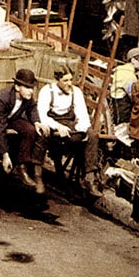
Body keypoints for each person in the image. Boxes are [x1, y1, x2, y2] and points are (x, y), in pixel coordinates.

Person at [0, 68, 50, 193]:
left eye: (32, 87)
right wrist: (5, 155)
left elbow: (32, 109)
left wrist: (37, 122)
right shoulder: (2, 98)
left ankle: (22, 167)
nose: (31, 91)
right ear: (17, 87)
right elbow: (0, 127)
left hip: (9, 117)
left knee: (30, 129)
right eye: (28, 87)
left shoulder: (28, 98)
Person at [36, 65, 104, 196]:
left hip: (70, 122)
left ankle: (89, 178)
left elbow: (82, 115)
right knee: (42, 134)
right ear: (57, 79)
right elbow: (42, 115)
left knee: (93, 136)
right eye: (65, 80)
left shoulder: (76, 92)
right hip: (52, 122)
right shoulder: (47, 91)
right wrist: (57, 127)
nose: (69, 83)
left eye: (71, 80)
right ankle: (37, 175)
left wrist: (82, 130)